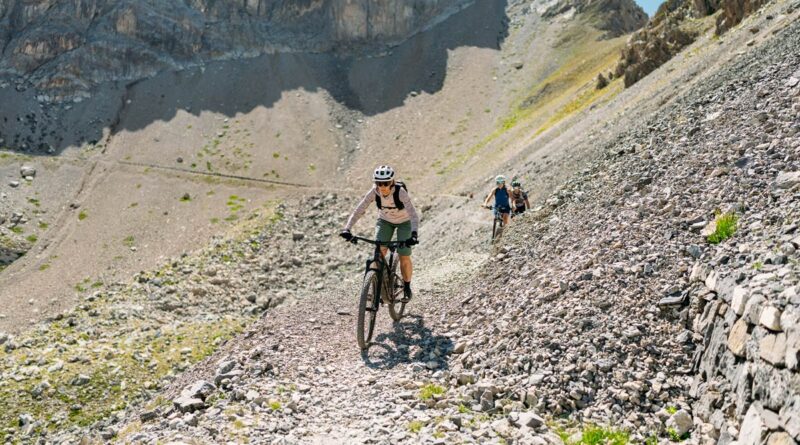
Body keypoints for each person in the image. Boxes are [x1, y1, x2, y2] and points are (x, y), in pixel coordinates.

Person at [340, 165, 420, 302]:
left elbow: (413, 214)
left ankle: (406, 287)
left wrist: (413, 234)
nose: (382, 186)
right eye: (378, 183)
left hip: (404, 223)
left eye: (386, 183)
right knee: (379, 251)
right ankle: (375, 286)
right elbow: (359, 209)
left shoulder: (400, 192)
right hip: (385, 221)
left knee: (404, 254)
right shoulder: (374, 192)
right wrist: (347, 228)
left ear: (392, 182)